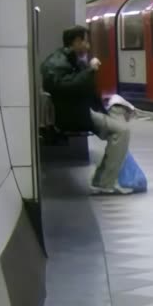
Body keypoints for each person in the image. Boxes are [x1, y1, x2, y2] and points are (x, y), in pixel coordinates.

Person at [40, 26, 132, 195]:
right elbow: (67, 87)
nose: (88, 46)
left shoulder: (68, 59)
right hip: (73, 114)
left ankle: (102, 179)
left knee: (119, 120)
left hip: (78, 109)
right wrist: (90, 70)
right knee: (122, 130)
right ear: (76, 42)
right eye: (86, 41)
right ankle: (105, 182)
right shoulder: (58, 62)